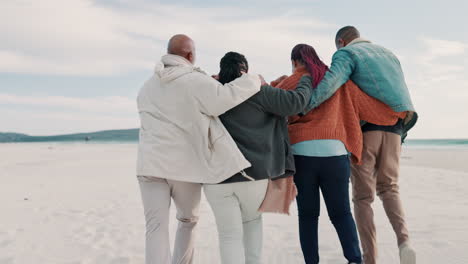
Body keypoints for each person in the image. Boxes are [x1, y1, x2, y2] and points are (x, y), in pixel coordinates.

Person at [274, 43, 408, 264]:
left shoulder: (293, 81)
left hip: (302, 155)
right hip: (335, 156)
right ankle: (355, 260)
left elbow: (271, 100)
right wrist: (398, 112)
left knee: (308, 216)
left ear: (294, 62)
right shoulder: (340, 82)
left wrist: (278, 82)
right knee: (341, 213)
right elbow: (369, 106)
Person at [136, 35, 262, 264]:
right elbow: (224, 98)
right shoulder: (193, 80)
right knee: (187, 221)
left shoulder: (147, 86)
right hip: (183, 168)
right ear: (190, 55)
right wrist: (253, 80)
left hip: (149, 166)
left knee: (155, 227)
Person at [302, 26, 418, 264]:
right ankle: (404, 242)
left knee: (363, 198)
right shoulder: (388, 53)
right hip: (396, 129)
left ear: (341, 42)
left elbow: (330, 84)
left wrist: (306, 108)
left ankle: (370, 259)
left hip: (367, 131)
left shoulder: (346, 54)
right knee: (390, 188)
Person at [203, 51, 313, 264]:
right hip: (253, 176)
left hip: (215, 178)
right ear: (245, 71)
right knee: (252, 223)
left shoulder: (211, 93)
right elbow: (296, 103)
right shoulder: (259, 92)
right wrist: (306, 79)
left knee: (228, 236)